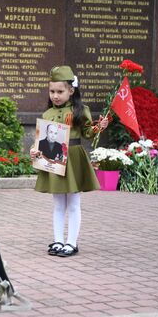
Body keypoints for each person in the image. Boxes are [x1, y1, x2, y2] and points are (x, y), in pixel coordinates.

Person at [30, 65, 108, 257]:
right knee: (58, 204)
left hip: (73, 159)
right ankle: (58, 240)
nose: (55, 96)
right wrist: (34, 151)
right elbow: (41, 141)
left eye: (60, 91)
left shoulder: (80, 110)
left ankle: (71, 242)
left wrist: (99, 127)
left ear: (71, 91)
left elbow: (88, 133)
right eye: (52, 91)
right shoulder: (47, 114)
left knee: (73, 203)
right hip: (55, 159)